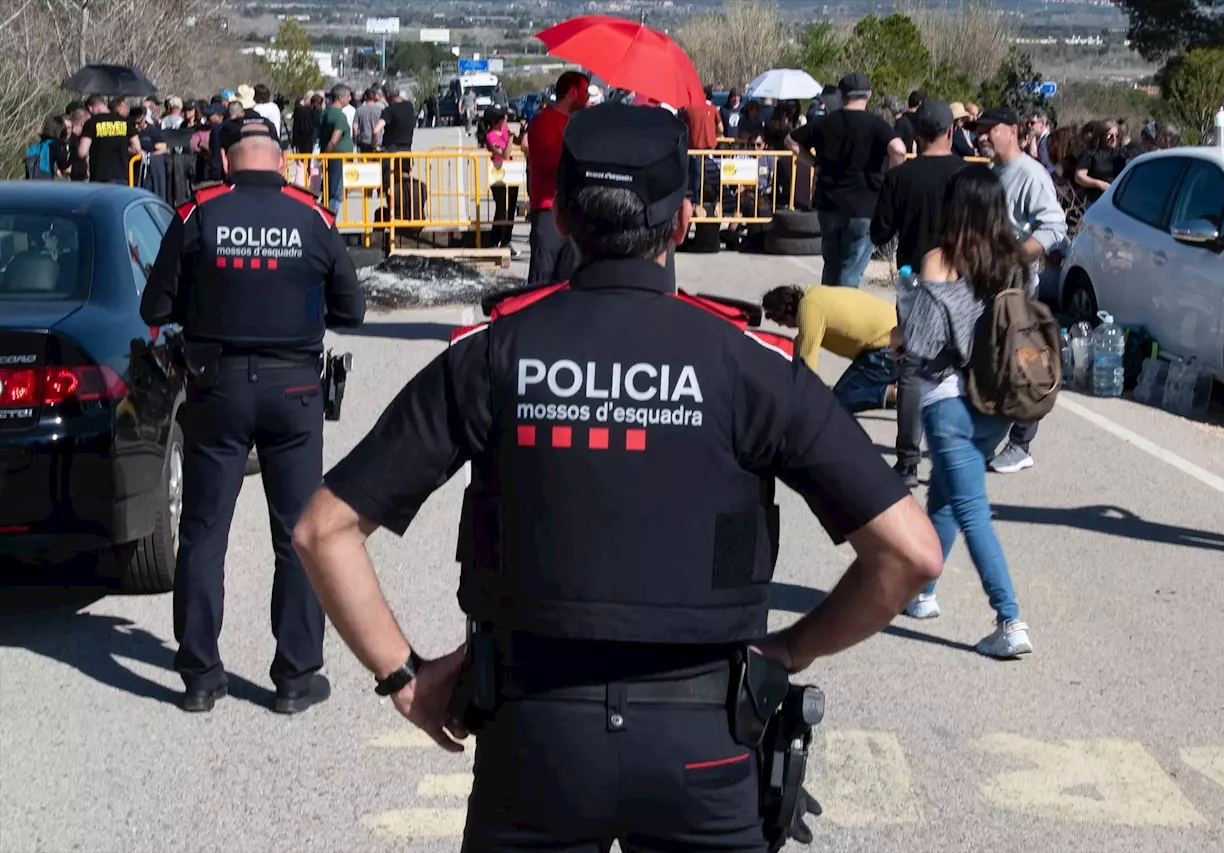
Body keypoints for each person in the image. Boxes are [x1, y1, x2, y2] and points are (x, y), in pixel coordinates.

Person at [292, 101, 943, 852]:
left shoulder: (493, 354)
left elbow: (323, 528)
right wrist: (792, 650)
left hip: (534, 739)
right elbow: (911, 553)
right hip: (704, 744)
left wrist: (404, 677)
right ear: (685, 220)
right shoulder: (750, 366)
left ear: (563, 217)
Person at [139, 115, 366, 714]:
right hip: (295, 392)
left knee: (204, 532)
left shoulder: (198, 213)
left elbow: (153, 306)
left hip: (217, 388)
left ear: (225, 162)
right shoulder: (311, 216)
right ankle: (295, 678)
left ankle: (200, 676)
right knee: (297, 534)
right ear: (283, 161)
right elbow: (354, 309)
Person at [898, 164, 1033, 659]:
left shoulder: (941, 259)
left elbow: (922, 339)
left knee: (971, 509)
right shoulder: (1015, 264)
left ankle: (1010, 618)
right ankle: (923, 592)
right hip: (996, 403)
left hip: (949, 402)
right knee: (947, 496)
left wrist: (897, 327)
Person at [870, 98, 970, 488]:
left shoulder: (900, 178)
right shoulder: (968, 175)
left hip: (914, 282)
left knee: (911, 369)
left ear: (915, 133)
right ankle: (956, 456)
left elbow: (880, 233)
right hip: (962, 279)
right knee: (962, 365)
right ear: (950, 132)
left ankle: (908, 461)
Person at [966, 107, 1068, 476]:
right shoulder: (994, 173)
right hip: (988, 286)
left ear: (1011, 131)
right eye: (979, 130)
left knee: (1025, 362)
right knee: (992, 361)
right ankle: (986, 435)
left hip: (1019, 290)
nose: (982, 136)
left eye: (989, 130)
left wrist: (1015, 258)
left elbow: (1055, 227)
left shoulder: (1030, 174)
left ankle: (1021, 443)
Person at [786, 73, 907, 288]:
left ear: (842, 96)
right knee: (850, 270)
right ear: (868, 95)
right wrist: (891, 175)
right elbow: (899, 149)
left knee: (831, 266)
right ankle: (841, 315)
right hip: (864, 205)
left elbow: (791, 141)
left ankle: (826, 311)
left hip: (829, 203)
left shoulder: (824, 123)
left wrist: (814, 163)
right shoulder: (876, 125)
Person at [761, 284, 899, 413]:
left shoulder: (809, 312)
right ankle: (901, 387)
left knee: (838, 401)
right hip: (901, 334)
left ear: (786, 314)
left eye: (780, 322)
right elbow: (796, 347)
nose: (780, 326)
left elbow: (807, 366)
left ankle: (897, 393)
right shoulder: (814, 296)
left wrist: (798, 405)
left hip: (888, 348)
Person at [521, 70, 590, 285]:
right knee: (543, 276)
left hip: (573, 212)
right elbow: (549, 160)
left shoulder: (577, 124)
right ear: (572, 92)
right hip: (549, 210)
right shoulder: (544, 122)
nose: (588, 98)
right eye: (585, 92)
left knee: (569, 279)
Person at [481, 106, 520, 257]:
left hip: (512, 171)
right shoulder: (490, 136)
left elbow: (517, 141)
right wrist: (510, 138)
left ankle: (506, 240)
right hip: (498, 172)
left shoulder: (505, 129)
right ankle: (494, 239)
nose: (506, 119)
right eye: (503, 118)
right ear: (495, 121)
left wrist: (521, 131)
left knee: (511, 208)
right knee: (501, 208)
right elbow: (504, 154)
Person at [78, 96, 141, 185]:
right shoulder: (124, 121)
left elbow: (82, 152)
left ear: (90, 108)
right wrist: (123, 149)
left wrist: (94, 151)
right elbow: (137, 148)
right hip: (121, 175)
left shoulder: (91, 123)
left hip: (99, 176)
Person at [318, 85, 355, 214]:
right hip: (338, 158)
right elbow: (334, 140)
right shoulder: (340, 116)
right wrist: (324, 157)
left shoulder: (325, 112)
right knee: (336, 194)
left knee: (328, 191)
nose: (350, 99)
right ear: (340, 97)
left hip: (331, 157)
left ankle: (322, 219)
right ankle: (329, 222)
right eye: (348, 96)